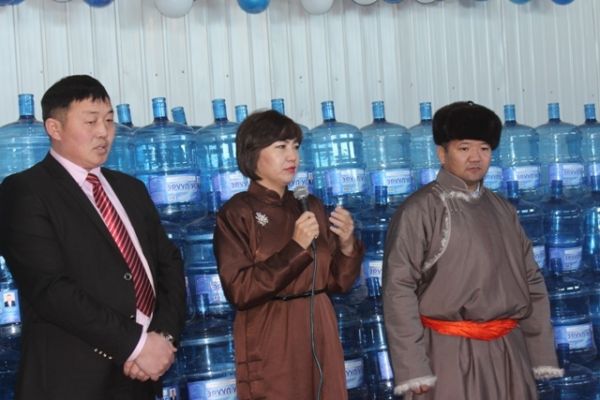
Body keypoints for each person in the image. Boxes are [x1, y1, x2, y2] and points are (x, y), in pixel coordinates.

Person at [0, 75, 186, 400]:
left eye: (109, 121)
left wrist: (162, 338)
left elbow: (168, 265)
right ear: (54, 128)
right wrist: (136, 344)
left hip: (141, 376)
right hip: (72, 381)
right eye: (91, 121)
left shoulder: (131, 189)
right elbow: (50, 290)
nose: (104, 132)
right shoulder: (25, 191)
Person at [382, 101, 563, 399]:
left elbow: (532, 281)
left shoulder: (503, 209)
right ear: (442, 153)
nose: (476, 158)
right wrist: (413, 368)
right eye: (464, 148)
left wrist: (540, 352)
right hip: (448, 354)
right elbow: (398, 290)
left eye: (484, 148)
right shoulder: (420, 210)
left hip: (510, 351)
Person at [213, 110, 364, 400]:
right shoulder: (238, 212)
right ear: (252, 154)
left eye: (295, 146)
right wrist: (296, 248)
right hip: (272, 329)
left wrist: (347, 245)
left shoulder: (309, 205)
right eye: (280, 147)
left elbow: (338, 283)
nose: (292, 156)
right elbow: (240, 290)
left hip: (320, 323)